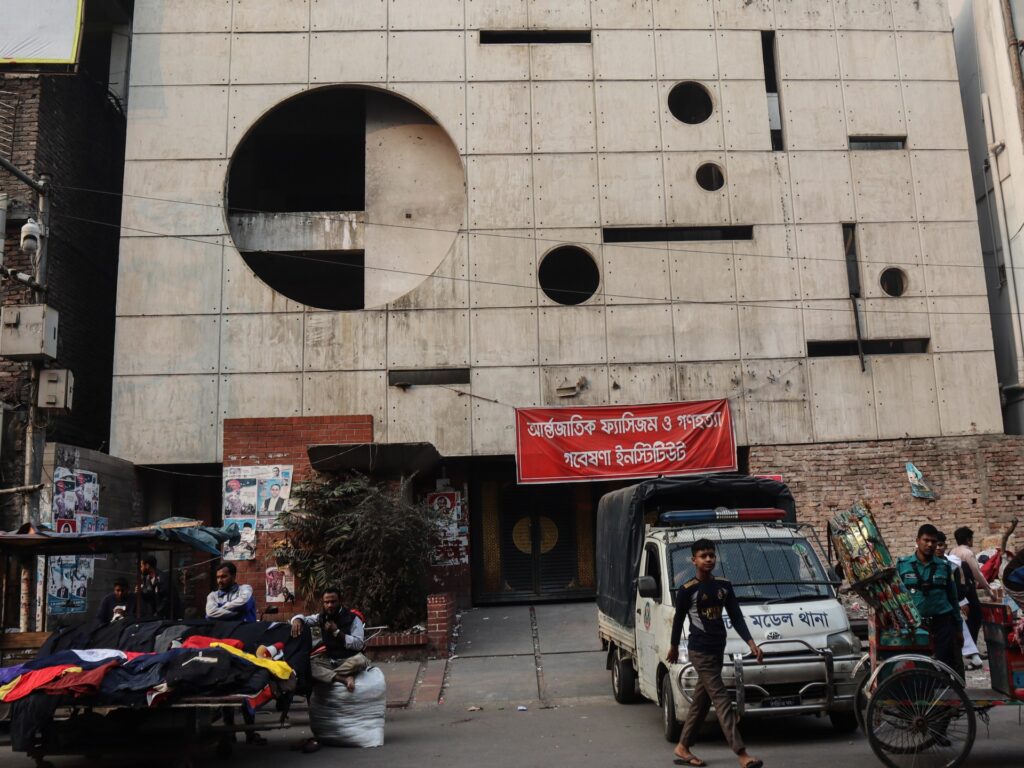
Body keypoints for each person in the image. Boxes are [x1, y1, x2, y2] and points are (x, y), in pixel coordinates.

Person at [666, 539, 764, 768]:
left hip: (717, 649)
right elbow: (679, 619)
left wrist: (751, 643)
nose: (708, 559)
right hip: (700, 651)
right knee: (721, 699)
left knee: (701, 701)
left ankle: (683, 746)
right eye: (703, 556)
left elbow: (737, 617)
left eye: (711, 555)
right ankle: (741, 753)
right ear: (694, 560)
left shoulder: (724, 586)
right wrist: (672, 646)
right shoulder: (687, 590)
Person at [897, 525, 962, 674]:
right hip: (915, 625)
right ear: (917, 541)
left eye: (933, 541)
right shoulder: (902, 565)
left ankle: (945, 695)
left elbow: (953, 598)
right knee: (917, 666)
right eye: (926, 540)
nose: (930, 545)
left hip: (942, 623)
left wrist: (958, 628)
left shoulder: (945, 566)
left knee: (945, 666)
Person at [936, 533, 977, 672]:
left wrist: (962, 601)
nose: (938, 548)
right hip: (934, 610)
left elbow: (956, 588)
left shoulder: (950, 564)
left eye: (941, 545)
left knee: (957, 639)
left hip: (949, 609)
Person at [950, 527, 995, 649]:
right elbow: (977, 573)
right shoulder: (967, 553)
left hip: (957, 590)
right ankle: (972, 648)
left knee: (967, 620)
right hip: (968, 589)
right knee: (976, 618)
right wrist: (989, 591)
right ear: (968, 540)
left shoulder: (952, 552)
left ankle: (969, 648)